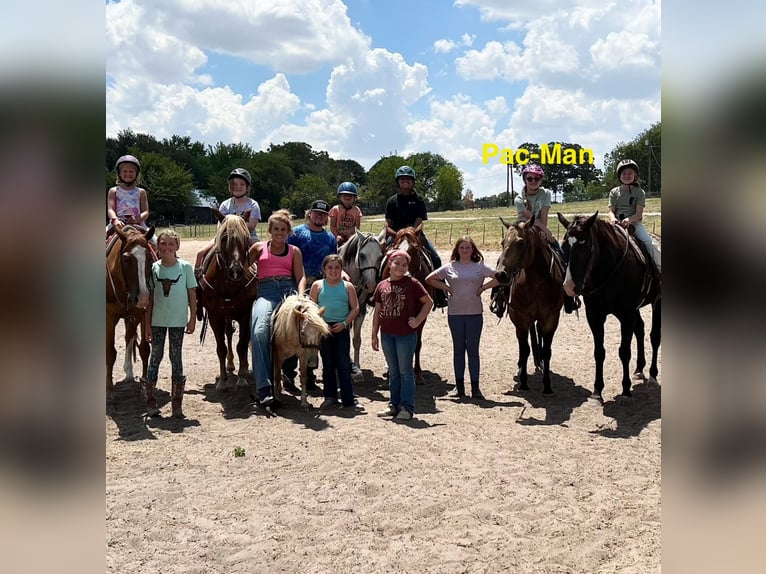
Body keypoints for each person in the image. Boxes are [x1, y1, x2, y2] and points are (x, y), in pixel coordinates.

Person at [425, 236, 499, 400]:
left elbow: (499, 277)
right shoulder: (450, 267)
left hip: (474, 314)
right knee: (458, 350)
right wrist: (446, 288)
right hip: (455, 314)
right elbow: (429, 279)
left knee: (473, 351)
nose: (465, 250)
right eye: (462, 248)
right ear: (457, 250)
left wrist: (484, 288)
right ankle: (459, 387)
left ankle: (475, 387)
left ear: (473, 250)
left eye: (468, 247)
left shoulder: (480, 266)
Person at [248, 209, 306, 406]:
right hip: (266, 292)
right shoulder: (258, 248)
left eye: (283, 229)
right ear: (269, 230)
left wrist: (300, 296)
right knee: (259, 331)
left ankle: (293, 372)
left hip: (288, 290)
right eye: (275, 229)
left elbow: (301, 277)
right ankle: (264, 387)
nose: (279, 233)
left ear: (288, 231)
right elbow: (244, 268)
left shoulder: (294, 251)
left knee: (301, 326)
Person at [371, 249, 432, 421]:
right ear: (389, 263)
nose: (400, 267)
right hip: (387, 335)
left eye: (404, 264)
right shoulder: (381, 285)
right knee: (394, 371)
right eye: (397, 263)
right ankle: (394, 404)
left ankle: (407, 407)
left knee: (406, 371)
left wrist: (418, 320)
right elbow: (377, 312)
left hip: (406, 335)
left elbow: (428, 302)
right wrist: (374, 334)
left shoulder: (412, 283)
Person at [282, 199, 338, 389]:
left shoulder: (330, 238)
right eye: (316, 213)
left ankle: (310, 375)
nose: (319, 216)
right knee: (294, 329)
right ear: (309, 214)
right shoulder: (297, 233)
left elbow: (333, 262)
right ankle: (288, 373)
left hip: (319, 287)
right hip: (297, 284)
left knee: (313, 332)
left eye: (323, 214)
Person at [143, 229, 197, 418]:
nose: (166, 247)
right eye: (163, 244)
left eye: (171, 244)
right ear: (158, 246)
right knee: (155, 357)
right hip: (158, 320)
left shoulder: (185, 268)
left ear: (177, 247)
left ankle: (177, 403)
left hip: (177, 321)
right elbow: (149, 299)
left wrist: (192, 318)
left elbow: (192, 294)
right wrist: (147, 324)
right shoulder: (153, 269)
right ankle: (150, 401)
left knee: (176, 358)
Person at [513, 163, 579, 314]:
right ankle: (499, 295)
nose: (533, 181)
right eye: (530, 178)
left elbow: (544, 214)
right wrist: (544, 229)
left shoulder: (546, 194)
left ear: (541, 180)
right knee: (506, 258)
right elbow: (528, 218)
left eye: (537, 178)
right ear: (525, 179)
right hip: (523, 229)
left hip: (540, 227)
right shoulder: (518, 199)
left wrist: (545, 232)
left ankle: (569, 298)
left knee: (562, 255)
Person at [383, 165, 446, 308]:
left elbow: (419, 221)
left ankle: (440, 293)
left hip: (415, 235)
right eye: (402, 179)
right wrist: (395, 233)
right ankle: (375, 291)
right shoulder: (392, 201)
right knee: (378, 258)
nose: (406, 182)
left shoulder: (419, 200)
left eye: (409, 179)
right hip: (396, 235)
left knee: (435, 258)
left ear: (413, 182)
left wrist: (412, 232)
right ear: (398, 182)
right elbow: (388, 223)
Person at [309, 254, 361, 410]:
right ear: (324, 270)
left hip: (341, 328)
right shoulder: (317, 286)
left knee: (343, 363)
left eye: (337, 268)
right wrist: (320, 324)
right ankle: (330, 396)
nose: (333, 271)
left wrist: (345, 323)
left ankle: (348, 398)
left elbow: (355, 308)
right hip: (324, 329)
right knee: (328, 363)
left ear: (341, 269)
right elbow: (311, 308)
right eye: (330, 268)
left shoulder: (347, 287)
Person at [194, 168, 261, 272]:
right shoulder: (225, 204)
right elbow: (220, 225)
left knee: (261, 254)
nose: (238, 187)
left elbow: (252, 225)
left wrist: (233, 225)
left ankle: (263, 279)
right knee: (200, 253)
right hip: (225, 237)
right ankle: (198, 277)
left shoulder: (252, 204)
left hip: (248, 237)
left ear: (247, 187)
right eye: (234, 184)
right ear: (230, 186)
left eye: (242, 184)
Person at [608, 159, 662, 273]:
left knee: (649, 244)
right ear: (619, 176)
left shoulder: (639, 192)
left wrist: (629, 219)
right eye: (624, 173)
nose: (626, 175)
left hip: (634, 224)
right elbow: (611, 211)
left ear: (635, 175)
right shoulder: (613, 192)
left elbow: (639, 214)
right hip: (616, 224)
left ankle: (660, 270)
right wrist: (613, 219)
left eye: (630, 173)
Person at [106, 154, 150, 236]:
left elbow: (145, 212)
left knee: (155, 241)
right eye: (124, 171)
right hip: (117, 223)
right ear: (119, 173)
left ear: (136, 174)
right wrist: (115, 220)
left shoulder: (141, 192)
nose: (128, 174)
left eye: (131, 171)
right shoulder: (113, 191)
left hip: (137, 223)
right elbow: (110, 209)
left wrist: (137, 219)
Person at [329, 182, 363, 246]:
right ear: (339, 196)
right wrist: (337, 235)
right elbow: (332, 226)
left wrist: (350, 232)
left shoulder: (356, 210)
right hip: (337, 236)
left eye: (350, 195)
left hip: (351, 236)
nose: (347, 197)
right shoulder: (335, 209)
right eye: (344, 195)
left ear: (354, 197)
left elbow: (357, 227)